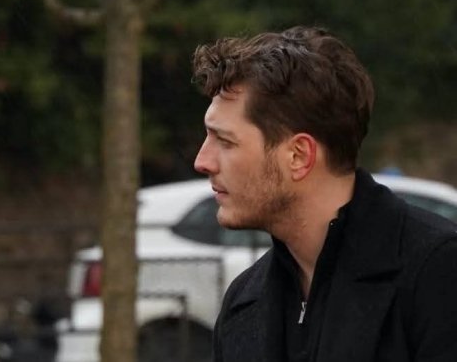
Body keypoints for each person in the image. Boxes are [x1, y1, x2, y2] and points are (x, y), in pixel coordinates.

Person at [191, 27, 457, 361]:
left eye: (225, 141)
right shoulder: (243, 304)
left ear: (299, 156)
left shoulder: (437, 272)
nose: (202, 161)